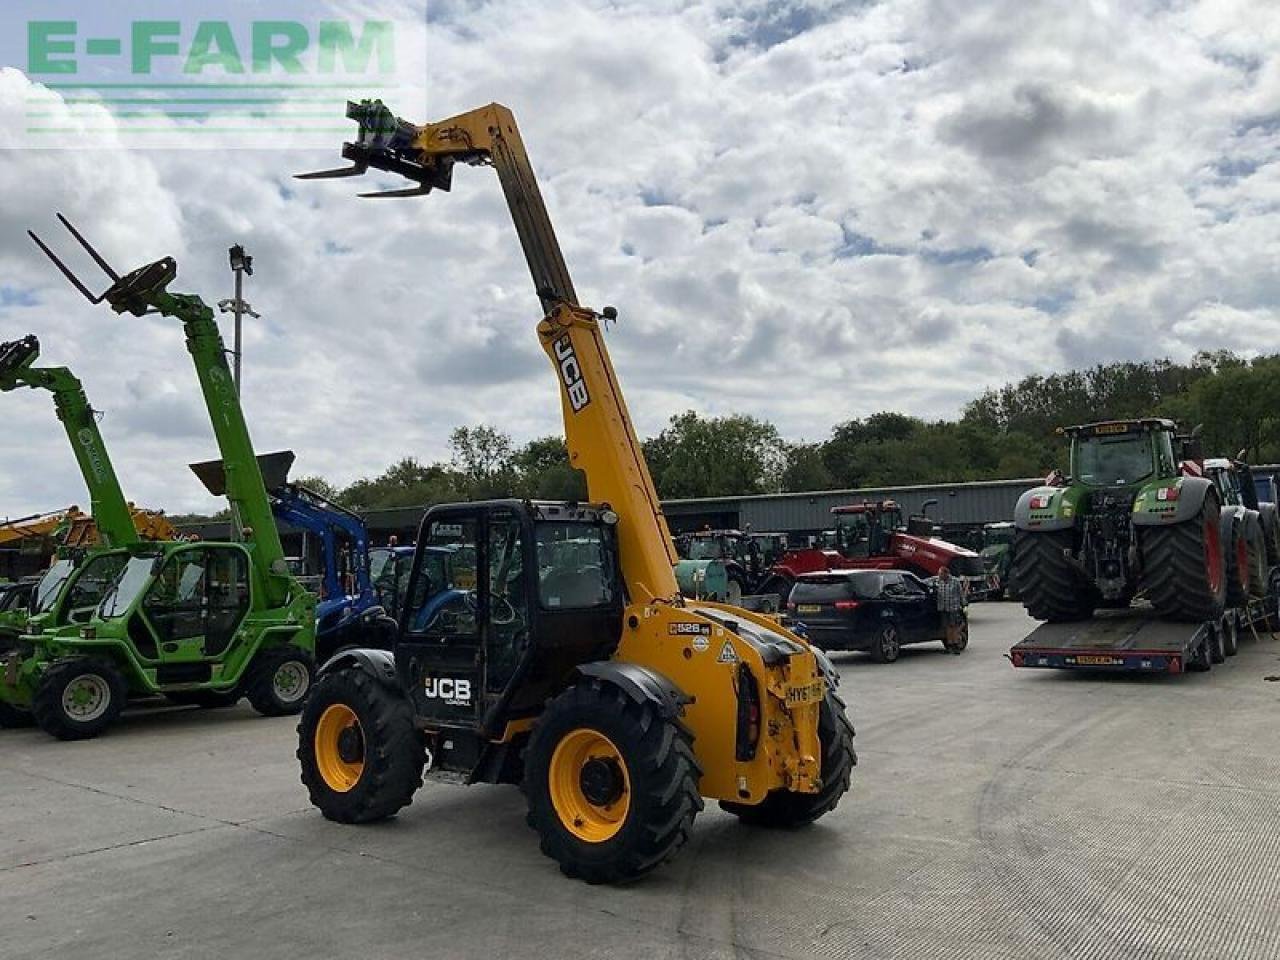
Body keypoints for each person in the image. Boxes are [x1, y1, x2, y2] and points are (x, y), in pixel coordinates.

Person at [935, 566, 966, 653]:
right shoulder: (938, 582)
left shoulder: (955, 581)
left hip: (953, 607)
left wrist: (963, 604)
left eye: (940, 574)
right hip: (943, 608)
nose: (939, 575)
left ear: (946, 574)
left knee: (954, 626)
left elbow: (960, 593)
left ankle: (956, 645)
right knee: (947, 627)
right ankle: (949, 645)